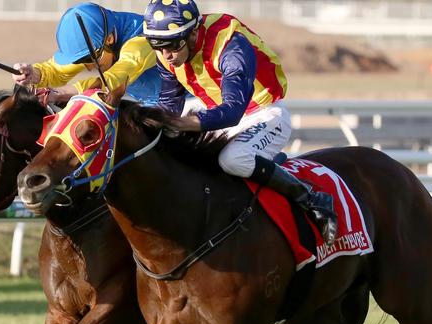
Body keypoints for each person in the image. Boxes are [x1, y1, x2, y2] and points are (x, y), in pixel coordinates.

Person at [143, 0, 338, 245]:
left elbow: (233, 110)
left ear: (193, 33)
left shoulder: (230, 45)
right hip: (214, 109)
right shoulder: (167, 52)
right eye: (157, 47)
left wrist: (185, 124)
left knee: (232, 160)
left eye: (172, 46)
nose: (166, 55)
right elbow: (170, 104)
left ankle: (310, 197)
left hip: (262, 113)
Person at [13, 2, 161, 105]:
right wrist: (33, 74)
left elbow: (112, 80)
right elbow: (56, 70)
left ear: (110, 39)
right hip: (151, 103)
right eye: (81, 61)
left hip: (183, 102)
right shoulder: (98, 41)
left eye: (89, 58)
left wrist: (59, 93)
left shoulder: (141, 40)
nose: (89, 68)